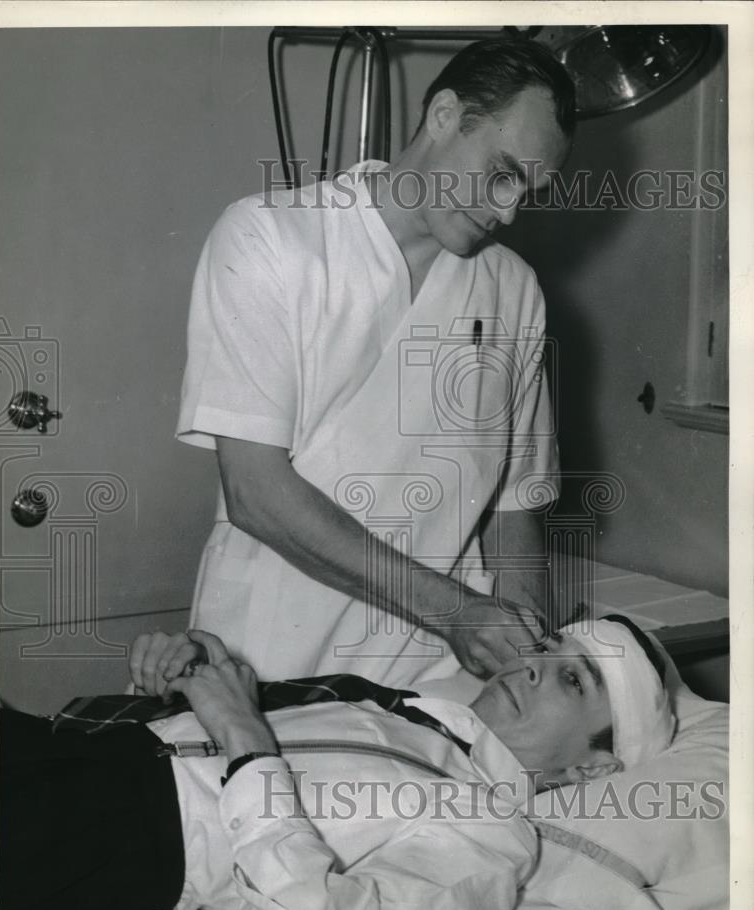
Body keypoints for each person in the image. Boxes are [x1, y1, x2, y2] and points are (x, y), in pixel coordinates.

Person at [176, 38, 576, 686]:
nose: (507, 210)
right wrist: (452, 611)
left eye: (528, 190)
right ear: (444, 115)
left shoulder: (513, 289)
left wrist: (527, 662)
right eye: (502, 172)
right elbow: (254, 492)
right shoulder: (271, 239)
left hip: (437, 679)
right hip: (270, 661)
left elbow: (512, 506)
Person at [0, 615, 676, 910]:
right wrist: (194, 663)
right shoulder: (397, 704)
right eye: (547, 649)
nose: (529, 667)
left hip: (104, 836)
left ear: (588, 771)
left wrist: (246, 746)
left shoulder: (487, 835)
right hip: (60, 743)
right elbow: (239, 696)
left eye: (571, 682)